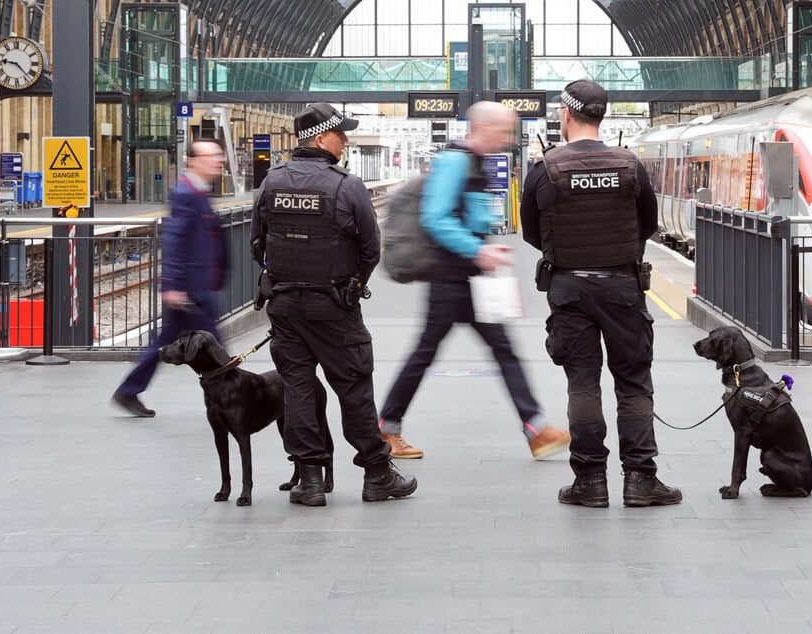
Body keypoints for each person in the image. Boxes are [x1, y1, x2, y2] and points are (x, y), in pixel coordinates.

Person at [519, 79, 682, 508]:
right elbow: (648, 223)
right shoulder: (630, 165)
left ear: (566, 114)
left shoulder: (545, 168)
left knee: (583, 384)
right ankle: (640, 480)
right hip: (623, 288)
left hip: (569, 289)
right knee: (632, 384)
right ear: (601, 115)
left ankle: (590, 482)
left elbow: (532, 232)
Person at [378, 100, 570, 461]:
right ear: (483, 127)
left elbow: (468, 218)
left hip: (471, 279)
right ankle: (387, 429)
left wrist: (487, 250)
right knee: (428, 353)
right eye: (503, 131)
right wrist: (477, 250)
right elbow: (437, 218)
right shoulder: (455, 162)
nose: (507, 138)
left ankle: (536, 429)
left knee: (500, 352)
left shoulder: (474, 163)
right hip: (450, 279)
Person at [251, 102, 416, 506]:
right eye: (341, 134)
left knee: (298, 389)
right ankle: (377, 475)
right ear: (322, 138)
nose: (345, 141)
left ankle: (310, 480)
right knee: (354, 387)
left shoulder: (271, 183)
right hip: (333, 306)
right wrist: (350, 285)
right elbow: (370, 248)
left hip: (285, 306)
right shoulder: (346, 185)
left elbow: (258, 242)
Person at [112, 140, 229, 417]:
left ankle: (128, 390)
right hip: (190, 290)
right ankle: (229, 397)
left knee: (165, 342)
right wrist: (174, 284)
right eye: (212, 156)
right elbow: (174, 239)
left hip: (194, 286)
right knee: (215, 345)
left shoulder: (197, 192)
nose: (219, 160)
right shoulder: (186, 193)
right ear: (194, 161)